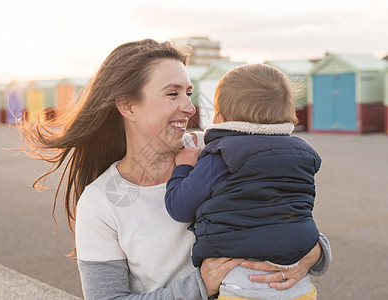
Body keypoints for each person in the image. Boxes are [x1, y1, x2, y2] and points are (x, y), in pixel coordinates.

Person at [20, 40, 331, 299]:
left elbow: (289, 206)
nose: (190, 107)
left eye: (189, 92)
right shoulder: (101, 202)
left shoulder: (221, 147)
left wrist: (316, 251)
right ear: (128, 106)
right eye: (172, 94)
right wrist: (199, 286)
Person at [165, 63, 326, 299]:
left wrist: (184, 167)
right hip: (299, 284)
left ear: (221, 117)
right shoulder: (302, 153)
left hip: (241, 284)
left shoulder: (221, 154)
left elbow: (180, 207)